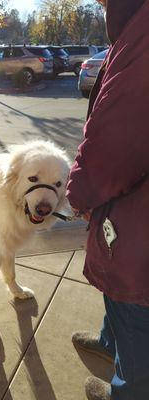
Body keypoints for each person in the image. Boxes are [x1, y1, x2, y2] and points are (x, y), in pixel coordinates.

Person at [67, 1, 149, 399]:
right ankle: (110, 344)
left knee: (132, 301)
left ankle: (126, 388)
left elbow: (113, 146)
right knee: (117, 287)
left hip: (139, 224)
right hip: (131, 210)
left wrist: (79, 193)